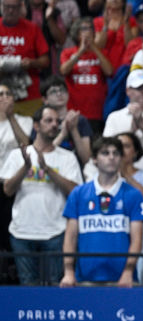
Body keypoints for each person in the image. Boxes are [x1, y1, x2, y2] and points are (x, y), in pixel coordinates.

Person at [1, 105, 83, 284]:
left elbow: (75, 193)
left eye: (57, 121)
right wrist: (25, 167)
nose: (54, 125)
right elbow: (8, 190)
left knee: (55, 284)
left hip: (56, 232)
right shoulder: (18, 155)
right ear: (36, 126)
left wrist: (48, 170)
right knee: (27, 284)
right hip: (22, 232)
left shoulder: (67, 157)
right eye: (49, 121)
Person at [60, 137, 143, 287]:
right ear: (94, 159)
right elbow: (70, 237)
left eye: (116, 153)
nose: (111, 158)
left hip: (123, 280)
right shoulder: (79, 193)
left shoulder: (133, 195)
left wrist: (128, 272)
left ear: (121, 158)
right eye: (105, 153)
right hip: (86, 278)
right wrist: (68, 272)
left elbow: (137, 240)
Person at [59, 17, 113, 133]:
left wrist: (94, 48)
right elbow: (64, 70)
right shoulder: (68, 53)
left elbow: (109, 71)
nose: (88, 31)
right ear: (76, 33)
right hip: (74, 111)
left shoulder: (102, 53)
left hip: (97, 111)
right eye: (84, 29)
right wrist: (81, 51)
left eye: (90, 29)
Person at [0, 0, 49, 115]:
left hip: (29, 94)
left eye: (14, 7)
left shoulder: (32, 28)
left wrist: (31, 63)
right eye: (7, 6)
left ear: (21, 6)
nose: (10, 10)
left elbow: (45, 60)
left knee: (30, 132)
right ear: (1, 6)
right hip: (2, 94)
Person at [38, 75, 92, 167]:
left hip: (75, 169)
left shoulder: (80, 120)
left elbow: (86, 160)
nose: (59, 94)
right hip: (48, 168)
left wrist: (74, 129)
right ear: (45, 99)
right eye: (53, 91)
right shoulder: (41, 120)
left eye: (62, 90)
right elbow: (40, 156)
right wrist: (63, 134)